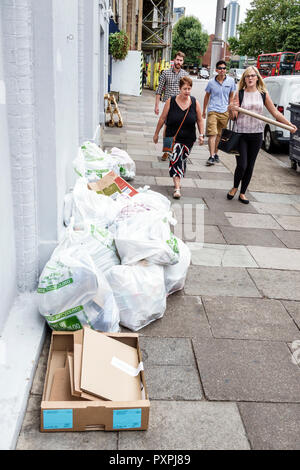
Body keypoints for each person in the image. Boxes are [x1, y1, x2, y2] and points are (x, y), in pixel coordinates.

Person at [227, 66, 297, 204]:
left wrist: (289, 125)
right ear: (244, 79)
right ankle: (235, 187)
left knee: (250, 165)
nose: (250, 78)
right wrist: (231, 109)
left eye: (253, 75)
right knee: (242, 165)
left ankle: (242, 192)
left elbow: (275, 113)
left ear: (257, 77)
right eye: (247, 76)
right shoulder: (240, 93)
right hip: (241, 134)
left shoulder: (263, 94)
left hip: (257, 134)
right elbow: (234, 117)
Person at [153, 76, 204, 199]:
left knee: (182, 159)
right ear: (179, 88)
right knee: (175, 159)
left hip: (189, 138)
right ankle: (177, 187)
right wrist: (156, 134)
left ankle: (177, 177)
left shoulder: (194, 102)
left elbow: (199, 120)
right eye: (185, 88)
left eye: (189, 88)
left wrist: (201, 135)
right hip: (171, 137)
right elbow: (162, 118)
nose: (187, 91)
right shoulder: (170, 101)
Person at [155, 52, 189, 160]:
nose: (179, 62)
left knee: (179, 128)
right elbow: (159, 90)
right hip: (168, 104)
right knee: (167, 128)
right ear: (173, 60)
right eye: (177, 59)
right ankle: (166, 150)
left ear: (183, 62)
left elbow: (188, 91)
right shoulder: (165, 73)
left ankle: (176, 150)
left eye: (181, 60)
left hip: (181, 105)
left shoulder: (185, 75)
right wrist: (156, 106)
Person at [202, 60, 236, 166]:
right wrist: (204, 110)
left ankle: (216, 154)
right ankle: (211, 156)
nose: (222, 70)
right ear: (216, 70)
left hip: (224, 111)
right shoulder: (211, 82)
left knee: (220, 135)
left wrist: (230, 108)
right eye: (220, 68)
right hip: (213, 110)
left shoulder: (231, 81)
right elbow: (207, 96)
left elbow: (231, 96)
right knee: (212, 134)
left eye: (224, 68)